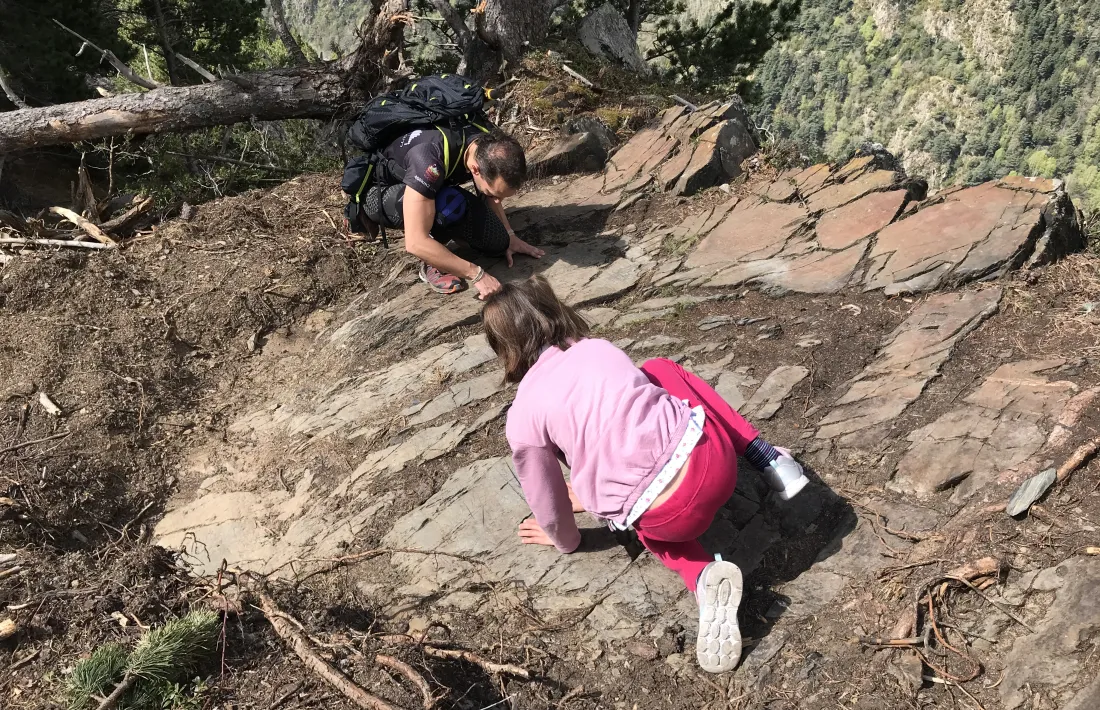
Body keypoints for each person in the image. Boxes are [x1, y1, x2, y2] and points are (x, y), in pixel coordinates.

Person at [481, 275, 809, 673]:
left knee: (640, 519)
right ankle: (767, 457)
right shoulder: (597, 349)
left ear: (504, 348)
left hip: (666, 519)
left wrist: (566, 539)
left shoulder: (522, 418)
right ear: (553, 311)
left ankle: (703, 576)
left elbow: (545, 498)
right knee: (658, 369)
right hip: (715, 461)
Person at [355, 125, 545, 298]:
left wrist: (509, 235)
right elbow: (414, 242)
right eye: (492, 193)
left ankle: (450, 232)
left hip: (432, 187)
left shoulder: (486, 143)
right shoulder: (428, 160)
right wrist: (476, 274)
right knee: (449, 204)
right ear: (475, 169)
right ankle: (432, 261)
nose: (497, 201)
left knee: (498, 243)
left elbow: (492, 199)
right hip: (381, 194)